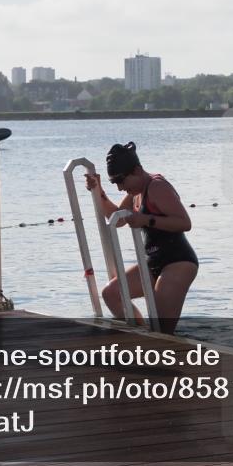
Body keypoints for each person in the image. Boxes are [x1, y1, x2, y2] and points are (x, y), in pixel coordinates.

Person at [85, 142, 197, 334]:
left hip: (178, 262)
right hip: (152, 261)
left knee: (161, 329)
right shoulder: (136, 192)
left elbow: (184, 223)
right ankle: (140, 334)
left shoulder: (157, 186)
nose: (120, 188)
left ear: (137, 170)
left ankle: (162, 345)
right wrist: (98, 191)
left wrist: (145, 219)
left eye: (121, 181)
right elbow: (117, 219)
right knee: (111, 293)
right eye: (114, 183)